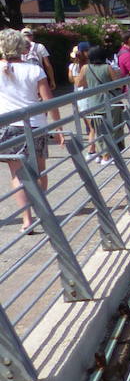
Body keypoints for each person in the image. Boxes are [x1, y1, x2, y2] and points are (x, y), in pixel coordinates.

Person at [0, 29, 54, 232]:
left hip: (8, 127)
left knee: (17, 175)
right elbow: (49, 102)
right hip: (36, 124)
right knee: (39, 171)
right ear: (21, 47)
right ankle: (41, 211)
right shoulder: (34, 70)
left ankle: (27, 220)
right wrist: (57, 128)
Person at [79, 44, 120, 162]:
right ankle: (106, 157)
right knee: (110, 131)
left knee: (97, 130)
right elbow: (117, 84)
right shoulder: (107, 67)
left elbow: (79, 83)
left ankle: (100, 154)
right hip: (109, 102)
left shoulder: (85, 68)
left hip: (93, 103)